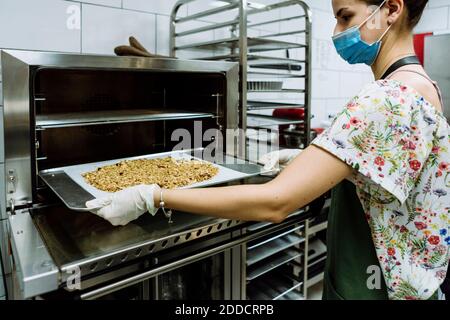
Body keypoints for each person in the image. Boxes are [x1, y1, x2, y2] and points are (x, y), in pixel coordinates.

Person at [87, 0, 449, 300]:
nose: (337, 33)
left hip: (376, 286)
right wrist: (317, 159)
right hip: (412, 282)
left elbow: (275, 202)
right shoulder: (421, 85)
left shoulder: (386, 98)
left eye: (346, 17)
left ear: (392, 9)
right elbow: (386, 172)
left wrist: (152, 196)